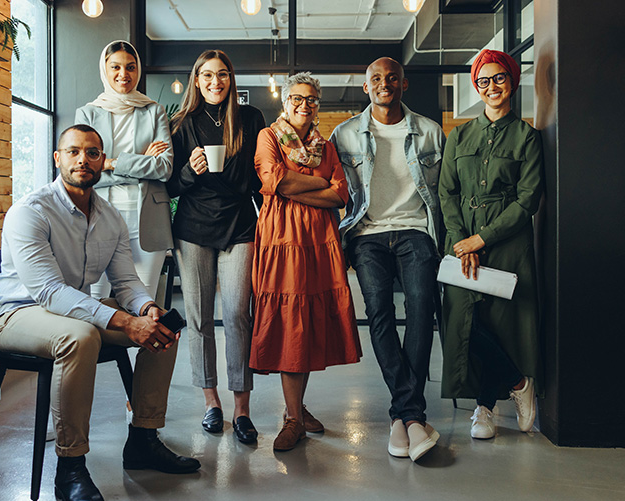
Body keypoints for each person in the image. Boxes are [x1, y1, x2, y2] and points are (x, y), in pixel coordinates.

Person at [0, 125, 200, 501]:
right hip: (16, 313)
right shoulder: (30, 212)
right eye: (73, 152)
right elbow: (49, 292)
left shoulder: (110, 216)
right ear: (58, 158)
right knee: (81, 337)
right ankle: (70, 468)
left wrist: (146, 309)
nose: (83, 159)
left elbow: (126, 281)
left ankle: (143, 438)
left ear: (103, 160)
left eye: (92, 153)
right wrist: (122, 320)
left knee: (165, 324)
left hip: (74, 308)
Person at [330, 58, 445, 462]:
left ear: (404, 84)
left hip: (416, 230)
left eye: (391, 78)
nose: (384, 84)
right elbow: (335, 193)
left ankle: (404, 416)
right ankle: (413, 416)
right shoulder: (343, 135)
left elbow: (442, 192)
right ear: (366, 87)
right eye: (376, 79)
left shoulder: (430, 131)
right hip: (368, 234)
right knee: (378, 311)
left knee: (421, 308)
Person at [251, 72, 362, 452]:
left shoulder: (325, 146)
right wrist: (318, 184)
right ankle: (294, 418)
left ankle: (295, 409)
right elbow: (274, 181)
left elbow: (341, 195)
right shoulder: (269, 137)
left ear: (318, 105)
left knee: (310, 319)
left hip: (318, 240)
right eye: (296, 98)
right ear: (285, 103)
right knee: (289, 321)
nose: (304, 105)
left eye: (311, 99)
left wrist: (297, 183)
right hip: (283, 240)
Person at [438, 49, 543, 439]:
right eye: (484, 80)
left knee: (500, 323)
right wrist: (462, 242)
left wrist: (482, 239)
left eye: (499, 78)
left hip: (508, 245)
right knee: (464, 325)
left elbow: (527, 199)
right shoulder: (459, 135)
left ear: (512, 82)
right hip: (462, 242)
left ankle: (486, 408)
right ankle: (518, 384)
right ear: (475, 87)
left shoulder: (527, 137)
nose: (492, 86)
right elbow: (446, 193)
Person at [168, 50, 265, 444]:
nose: (215, 81)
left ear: (231, 79)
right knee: (199, 317)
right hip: (193, 229)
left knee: (238, 313)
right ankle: (211, 401)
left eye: (222, 74)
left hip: (241, 227)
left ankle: (242, 408)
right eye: (207, 75)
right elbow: (171, 186)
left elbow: (259, 177)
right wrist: (191, 171)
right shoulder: (181, 124)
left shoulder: (251, 118)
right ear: (196, 79)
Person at [75, 40, 173, 301]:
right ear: (104, 70)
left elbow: (163, 168)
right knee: (94, 301)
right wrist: (140, 161)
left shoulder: (154, 111)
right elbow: (84, 173)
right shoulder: (87, 114)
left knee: (142, 301)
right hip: (98, 216)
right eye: (115, 67)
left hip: (147, 220)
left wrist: (111, 162)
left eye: (130, 67)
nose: (124, 74)